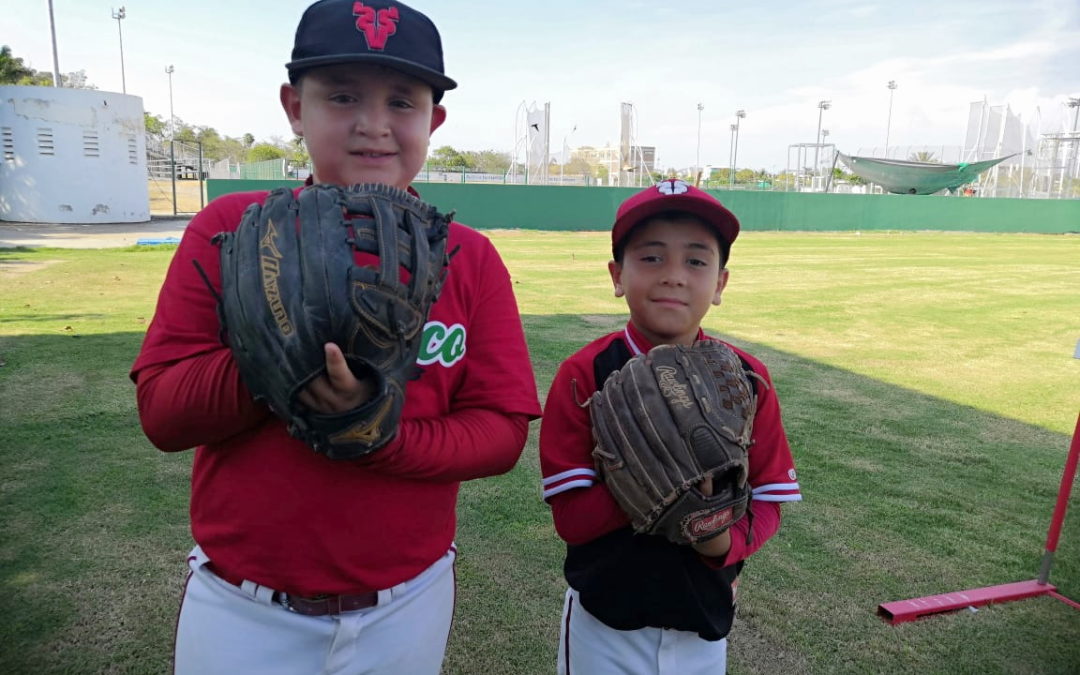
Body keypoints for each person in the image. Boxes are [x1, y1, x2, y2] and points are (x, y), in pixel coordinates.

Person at [130, 1, 541, 672]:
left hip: (407, 604)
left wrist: (375, 430)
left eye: (401, 102)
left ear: (433, 120)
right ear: (296, 107)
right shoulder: (234, 231)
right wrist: (279, 358)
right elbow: (164, 413)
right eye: (342, 95)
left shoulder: (468, 256)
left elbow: (500, 432)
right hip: (243, 608)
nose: (373, 125)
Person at [539, 179, 802, 674]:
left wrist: (720, 540)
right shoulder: (586, 374)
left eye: (697, 261)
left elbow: (768, 498)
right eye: (652, 257)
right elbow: (569, 519)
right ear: (618, 275)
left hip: (704, 618)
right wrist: (660, 484)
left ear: (720, 283)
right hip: (605, 621)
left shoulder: (748, 379)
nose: (674, 276)